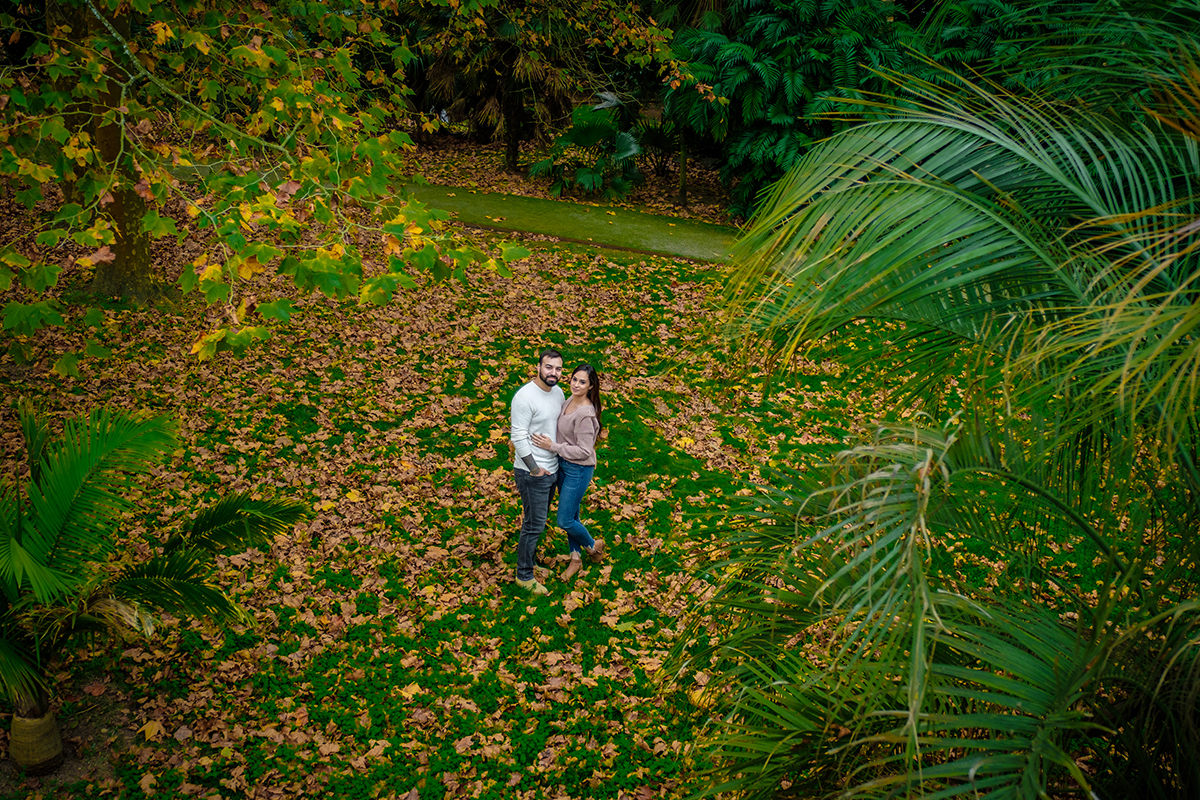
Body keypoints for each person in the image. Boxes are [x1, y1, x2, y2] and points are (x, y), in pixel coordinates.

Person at [531, 364, 605, 580]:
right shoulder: (568, 401)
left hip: (578, 470)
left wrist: (552, 447)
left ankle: (592, 547)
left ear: (591, 386)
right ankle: (576, 558)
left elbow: (584, 451)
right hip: (564, 465)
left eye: (582, 382)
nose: (576, 384)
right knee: (573, 514)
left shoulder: (586, 415)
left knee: (564, 520)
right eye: (574, 379)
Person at [510, 347, 565, 595]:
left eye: (558, 368)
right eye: (549, 367)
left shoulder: (559, 393)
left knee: (538, 522)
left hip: (552, 469)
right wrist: (534, 469)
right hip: (533, 473)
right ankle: (524, 575)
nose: (553, 372)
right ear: (538, 367)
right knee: (533, 524)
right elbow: (518, 437)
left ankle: (530, 561)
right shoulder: (525, 397)